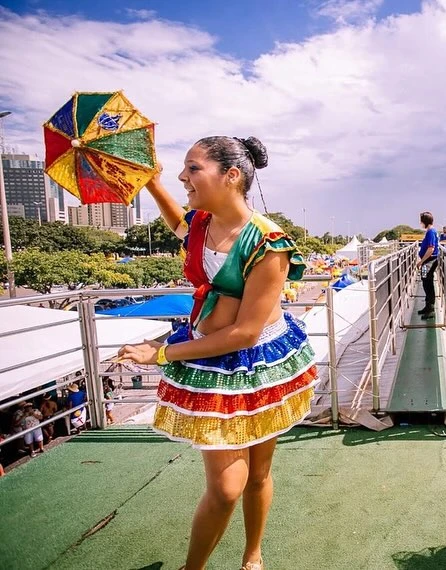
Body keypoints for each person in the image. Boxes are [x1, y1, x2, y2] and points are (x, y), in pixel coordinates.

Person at [118, 135, 317, 570]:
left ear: (231, 176)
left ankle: (253, 554)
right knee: (226, 487)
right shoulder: (203, 223)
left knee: (258, 472)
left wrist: (164, 353)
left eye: (192, 169)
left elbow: (245, 332)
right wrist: (151, 183)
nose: (182, 176)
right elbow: (180, 225)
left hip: (259, 360)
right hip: (211, 357)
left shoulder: (268, 244)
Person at [416, 211, 440, 320]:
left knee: (428, 283)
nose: (420, 223)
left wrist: (421, 261)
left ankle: (431, 309)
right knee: (425, 282)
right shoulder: (431, 231)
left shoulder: (431, 232)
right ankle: (427, 306)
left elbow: (431, 249)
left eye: (421, 221)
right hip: (427, 261)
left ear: (425, 221)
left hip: (429, 261)